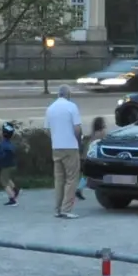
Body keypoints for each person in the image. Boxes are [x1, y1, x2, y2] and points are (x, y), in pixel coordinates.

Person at [46, 84, 84, 219]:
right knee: (71, 179)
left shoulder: (50, 108)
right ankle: (66, 209)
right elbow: (77, 129)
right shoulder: (71, 107)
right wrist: (79, 141)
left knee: (59, 179)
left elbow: (48, 130)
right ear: (68, 95)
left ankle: (57, 209)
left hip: (56, 147)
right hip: (70, 147)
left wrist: (56, 139)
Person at [0, 122, 21, 206]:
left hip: (6, 166)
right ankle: (15, 189)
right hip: (12, 165)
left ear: (3, 134)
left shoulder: (1, 145)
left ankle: (12, 198)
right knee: (7, 178)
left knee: (3, 181)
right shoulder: (10, 144)